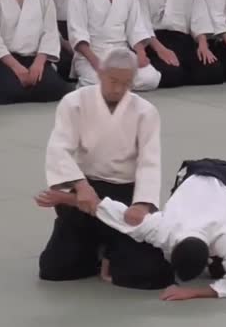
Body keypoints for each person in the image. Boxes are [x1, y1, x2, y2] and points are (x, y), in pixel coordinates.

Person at [35, 158, 226, 301]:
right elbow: (120, 215)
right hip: (194, 172)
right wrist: (70, 199)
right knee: (131, 227)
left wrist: (193, 293)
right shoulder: (165, 229)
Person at [39, 47, 172, 290]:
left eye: (126, 83)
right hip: (85, 190)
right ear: (100, 73)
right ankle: (97, 247)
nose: (119, 89)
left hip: (125, 195)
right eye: (113, 81)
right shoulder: (74, 102)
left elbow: (149, 162)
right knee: (54, 269)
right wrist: (81, 187)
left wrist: (142, 204)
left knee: (150, 274)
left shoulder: (146, 112)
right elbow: (59, 148)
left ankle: (113, 248)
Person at [67, 0, 160, 91]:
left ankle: (117, 85)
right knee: (96, 83)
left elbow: (135, 27)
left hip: (121, 53)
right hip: (93, 54)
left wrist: (141, 54)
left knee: (151, 78)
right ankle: (120, 85)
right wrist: (97, 63)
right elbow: (78, 34)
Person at [133, 0, 224, 87]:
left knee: (214, 72)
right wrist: (160, 50)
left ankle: (183, 72)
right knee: (172, 74)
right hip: (156, 41)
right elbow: (142, 21)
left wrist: (203, 44)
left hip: (184, 39)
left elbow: (199, 10)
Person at [31, 0, 92, 81]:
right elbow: (42, 14)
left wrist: (80, 40)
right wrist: (63, 42)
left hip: (83, 27)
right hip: (52, 29)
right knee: (64, 63)